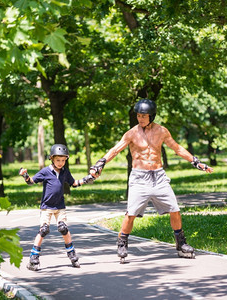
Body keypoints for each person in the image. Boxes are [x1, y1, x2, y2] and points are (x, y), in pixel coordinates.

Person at [89, 99, 213, 263]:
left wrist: (196, 162)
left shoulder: (162, 131)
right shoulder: (132, 133)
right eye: (138, 116)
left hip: (159, 176)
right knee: (131, 213)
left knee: (174, 209)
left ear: (152, 116)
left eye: (144, 116)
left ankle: (181, 244)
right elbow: (115, 149)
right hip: (139, 178)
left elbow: (177, 148)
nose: (140, 119)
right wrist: (100, 163)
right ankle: (122, 243)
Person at [19, 144, 94, 270]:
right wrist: (25, 175)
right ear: (52, 159)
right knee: (43, 230)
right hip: (46, 207)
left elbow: (74, 183)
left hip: (60, 207)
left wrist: (87, 179)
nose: (61, 163)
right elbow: (31, 181)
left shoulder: (65, 172)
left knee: (63, 228)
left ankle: (72, 255)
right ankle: (33, 258)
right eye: (58, 160)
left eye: (63, 160)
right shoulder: (45, 171)